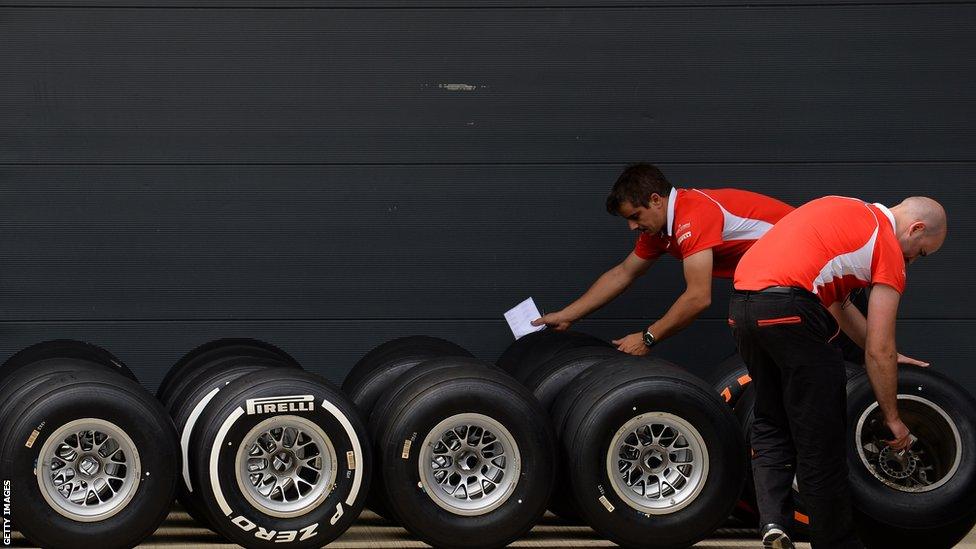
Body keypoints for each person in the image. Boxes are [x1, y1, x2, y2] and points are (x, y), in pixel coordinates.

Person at [729, 196, 947, 549]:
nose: (912, 261)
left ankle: (773, 523)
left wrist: (891, 357)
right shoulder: (888, 247)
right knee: (821, 433)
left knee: (770, 418)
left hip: (743, 306)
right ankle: (836, 543)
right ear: (916, 229)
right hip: (792, 307)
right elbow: (879, 347)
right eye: (921, 252)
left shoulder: (847, 209)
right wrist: (893, 418)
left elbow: (840, 305)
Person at [532, 162, 793, 355]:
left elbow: (698, 297)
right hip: (781, 273)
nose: (632, 227)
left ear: (656, 200)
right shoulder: (659, 230)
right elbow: (623, 273)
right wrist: (567, 316)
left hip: (813, 258)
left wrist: (648, 337)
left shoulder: (693, 214)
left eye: (635, 216)